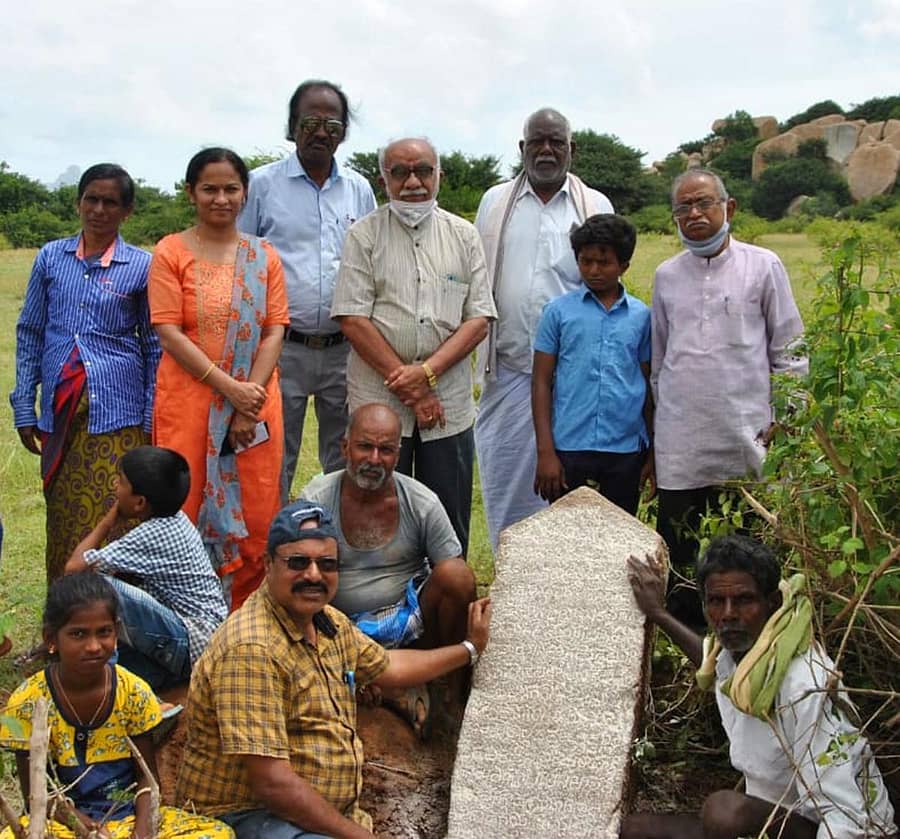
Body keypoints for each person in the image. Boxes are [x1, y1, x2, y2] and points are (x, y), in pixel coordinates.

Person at [176, 499, 491, 838]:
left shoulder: (324, 621)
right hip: (244, 816)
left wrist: (469, 648)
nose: (314, 575)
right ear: (268, 565)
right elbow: (272, 784)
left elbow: (388, 666)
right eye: (298, 562)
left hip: (303, 812)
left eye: (327, 564)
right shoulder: (251, 649)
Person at [623, 535, 896, 839]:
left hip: (838, 828)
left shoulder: (804, 686)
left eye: (744, 600)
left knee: (724, 812)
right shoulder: (747, 657)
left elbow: (845, 816)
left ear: (772, 603)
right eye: (716, 601)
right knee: (635, 830)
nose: (728, 614)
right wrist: (658, 613)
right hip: (777, 820)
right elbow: (714, 662)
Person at [651, 169, 807, 626]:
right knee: (679, 549)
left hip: (747, 435)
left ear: (729, 207)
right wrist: (657, 430)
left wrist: (788, 420)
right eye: (683, 207)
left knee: (751, 549)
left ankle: (754, 636)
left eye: (704, 203)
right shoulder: (666, 275)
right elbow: (659, 360)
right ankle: (684, 639)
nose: (694, 214)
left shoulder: (763, 265)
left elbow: (790, 349)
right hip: (682, 441)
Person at [332, 137, 496, 554]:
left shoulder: (464, 235)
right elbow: (352, 318)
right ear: (383, 180)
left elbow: (479, 318)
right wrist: (417, 389)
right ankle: (381, 588)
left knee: (448, 512)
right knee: (377, 504)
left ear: (439, 175)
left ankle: (445, 589)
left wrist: (427, 374)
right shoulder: (363, 235)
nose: (413, 183)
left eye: (423, 171)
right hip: (378, 399)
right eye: (400, 173)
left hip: (449, 403)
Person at [149, 147, 289, 610]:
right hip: (189, 406)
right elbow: (168, 330)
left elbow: (275, 329)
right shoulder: (171, 252)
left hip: (256, 405)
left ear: (245, 193)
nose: (221, 199)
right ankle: (188, 618)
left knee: (256, 510)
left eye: (231, 188)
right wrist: (229, 389)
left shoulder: (263, 256)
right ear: (191, 192)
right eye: (210, 189)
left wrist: (247, 403)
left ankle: (247, 618)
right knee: (184, 506)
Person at [10, 164, 161, 581]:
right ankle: (64, 617)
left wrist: (151, 418)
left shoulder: (141, 266)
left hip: (118, 414)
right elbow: (30, 332)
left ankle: (115, 615)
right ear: (78, 203)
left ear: (127, 211)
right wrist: (24, 405)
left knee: (117, 514)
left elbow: (153, 347)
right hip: (60, 411)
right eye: (91, 199)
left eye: (110, 202)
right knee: (63, 516)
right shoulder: (51, 258)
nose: (98, 209)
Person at [0, 572, 234, 839]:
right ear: (51, 639)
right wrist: (88, 829)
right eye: (78, 634)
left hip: (129, 817)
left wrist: (143, 831)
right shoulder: (29, 701)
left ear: (116, 632)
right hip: (64, 824)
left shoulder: (132, 692)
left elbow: (147, 779)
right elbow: (36, 795)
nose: (93, 646)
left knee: (217, 833)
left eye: (104, 632)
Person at [475, 108, 614, 551]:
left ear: (572, 149)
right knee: (506, 482)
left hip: (574, 378)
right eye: (537, 141)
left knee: (570, 489)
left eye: (556, 142)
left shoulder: (594, 205)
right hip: (510, 370)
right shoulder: (495, 202)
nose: (547, 150)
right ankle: (511, 570)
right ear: (523, 148)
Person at [302, 403, 476, 736]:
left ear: (398, 455)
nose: (374, 459)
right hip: (337, 633)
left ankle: (450, 696)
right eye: (364, 446)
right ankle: (382, 683)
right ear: (345, 447)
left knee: (457, 575)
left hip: (409, 631)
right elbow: (295, 579)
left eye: (385, 450)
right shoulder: (317, 501)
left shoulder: (421, 503)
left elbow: (457, 580)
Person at [238, 79, 376, 494]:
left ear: (343, 133)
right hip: (281, 348)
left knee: (346, 455)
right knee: (275, 454)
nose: (321, 133)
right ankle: (275, 533)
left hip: (345, 349)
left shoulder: (359, 189)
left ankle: (340, 531)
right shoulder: (260, 186)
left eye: (332, 126)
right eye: (310, 123)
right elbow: (241, 262)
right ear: (292, 126)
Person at [64, 445, 227, 690]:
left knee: (96, 586)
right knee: (91, 668)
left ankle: (109, 687)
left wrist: (108, 521)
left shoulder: (154, 533)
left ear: (140, 502)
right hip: (202, 641)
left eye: (121, 482)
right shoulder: (175, 519)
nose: (115, 486)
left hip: (192, 640)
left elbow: (74, 570)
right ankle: (149, 680)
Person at [532, 214, 653, 514]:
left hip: (625, 449)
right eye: (585, 262)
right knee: (568, 533)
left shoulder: (641, 316)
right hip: (570, 446)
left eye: (604, 262)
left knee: (619, 532)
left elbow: (648, 384)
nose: (593, 270)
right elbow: (541, 381)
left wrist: (652, 450)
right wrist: (546, 452)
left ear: (624, 266)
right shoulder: (558, 312)